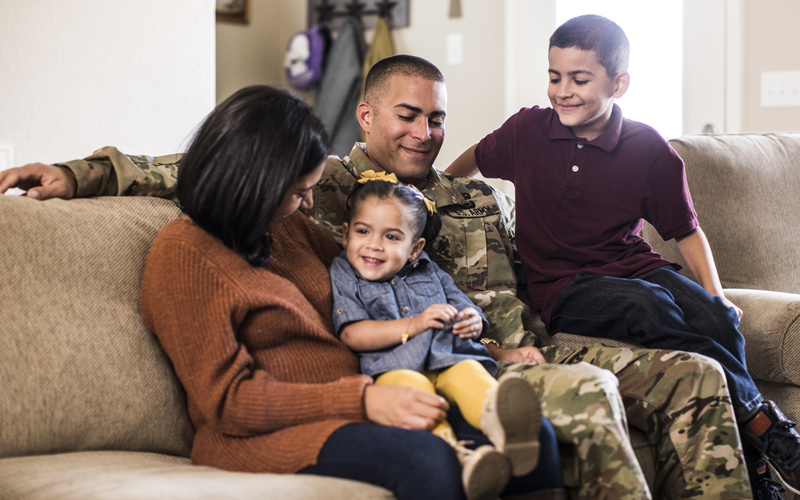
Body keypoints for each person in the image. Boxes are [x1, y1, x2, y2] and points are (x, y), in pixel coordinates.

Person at [0, 54, 751, 500]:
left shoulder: (442, 197)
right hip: (369, 388)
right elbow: (199, 168)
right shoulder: (318, 197)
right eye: (407, 115)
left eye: (438, 118)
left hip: (476, 357)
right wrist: (83, 172)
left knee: (632, 402)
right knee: (507, 432)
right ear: (363, 117)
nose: (426, 132)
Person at [447, 14, 799, 499]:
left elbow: (687, 232)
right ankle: (767, 425)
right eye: (554, 76)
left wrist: (717, 296)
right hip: (565, 286)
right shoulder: (526, 130)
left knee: (716, 319)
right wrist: (436, 191)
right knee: (647, 306)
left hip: (634, 265)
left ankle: (759, 476)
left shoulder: (648, 149)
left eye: (579, 79)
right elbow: (475, 157)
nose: (562, 91)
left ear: (619, 82)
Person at [136, 84, 469, 500]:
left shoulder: (285, 226)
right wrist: (363, 401)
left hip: (372, 393)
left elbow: (376, 285)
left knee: (526, 435)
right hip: (267, 435)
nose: (309, 204)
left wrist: (467, 333)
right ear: (253, 183)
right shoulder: (185, 257)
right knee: (427, 459)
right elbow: (228, 403)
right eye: (298, 192)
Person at [331, 175, 547, 496]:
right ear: (347, 233)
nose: (373, 244)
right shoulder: (344, 272)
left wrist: (473, 321)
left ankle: (506, 425)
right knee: (419, 402)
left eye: (391, 237)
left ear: (415, 248)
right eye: (363, 231)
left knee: (472, 376)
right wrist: (413, 326)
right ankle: (461, 458)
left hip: (450, 354)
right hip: (394, 367)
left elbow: (465, 307)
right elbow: (353, 333)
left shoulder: (430, 270)